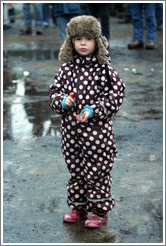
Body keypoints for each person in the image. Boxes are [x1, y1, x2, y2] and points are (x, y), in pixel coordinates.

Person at [49, 15, 125, 228]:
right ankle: (79, 205)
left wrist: (93, 110)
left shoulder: (104, 69)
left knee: (97, 170)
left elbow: (117, 94)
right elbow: (54, 92)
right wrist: (63, 102)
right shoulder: (66, 68)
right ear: (71, 42)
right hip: (71, 132)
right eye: (78, 38)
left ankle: (99, 211)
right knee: (76, 169)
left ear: (97, 41)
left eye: (88, 39)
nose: (82, 43)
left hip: (97, 132)